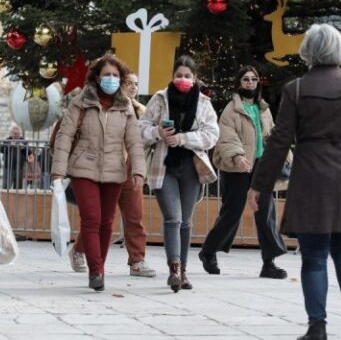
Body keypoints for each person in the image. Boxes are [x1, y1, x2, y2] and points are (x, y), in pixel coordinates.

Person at [246, 24, 341, 340]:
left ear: (307, 51)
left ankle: (317, 326)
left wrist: (260, 184)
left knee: (313, 256)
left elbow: (280, 140)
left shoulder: (296, 89)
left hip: (313, 177)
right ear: (340, 50)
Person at [51, 54, 146, 292]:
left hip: (114, 170)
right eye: (106, 75)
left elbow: (134, 142)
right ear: (96, 77)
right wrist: (58, 171)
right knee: (91, 219)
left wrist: (138, 171)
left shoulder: (126, 107)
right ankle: (96, 271)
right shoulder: (80, 103)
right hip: (84, 167)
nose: (111, 79)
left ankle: (99, 266)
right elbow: (65, 136)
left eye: (115, 75)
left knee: (107, 223)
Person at [139, 55, 219, 292]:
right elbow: (140, 127)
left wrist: (183, 138)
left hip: (192, 166)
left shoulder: (204, 102)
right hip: (164, 165)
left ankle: (183, 270)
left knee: (185, 221)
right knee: (172, 217)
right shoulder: (160, 98)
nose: (182, 80)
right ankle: (173, 268)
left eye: (187, 76)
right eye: (178, 75)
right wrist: (158, 133)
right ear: (172, 76)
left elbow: (212, 134)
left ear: (194, 79)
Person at [201, 66, 288, 278]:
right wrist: (238, 156)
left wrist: (284, 156)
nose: (250, 82)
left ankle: (269, 262)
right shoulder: (231, 109)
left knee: (266, 211)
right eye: (246, 79)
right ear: (239, 83)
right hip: (237, 167)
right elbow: (226, 136)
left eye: (254, 79)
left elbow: (271, 135)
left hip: (261, 166)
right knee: (232, 211)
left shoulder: (264, 109)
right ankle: (209, 251)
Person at [68, 72, 157, 278]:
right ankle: (79, 250)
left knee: (135, 215)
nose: (133, 87)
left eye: (136, 84)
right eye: (128, 83)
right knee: (99, 218)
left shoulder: (142, 111)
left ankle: (137, 261)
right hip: (106, 167)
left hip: (130, 166)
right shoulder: (106, 106)